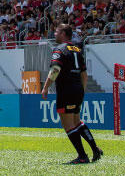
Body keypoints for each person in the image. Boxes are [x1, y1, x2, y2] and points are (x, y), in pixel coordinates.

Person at [41, 23, 102, 164]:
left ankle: (82, 156)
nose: (54, 34)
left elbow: (55, 69)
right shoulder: (77, 49)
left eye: (56, 31)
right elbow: (84, 74)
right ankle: (95, 149)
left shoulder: (59, 49)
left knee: (68, 124)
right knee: (77, 122)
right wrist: (82, 90)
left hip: (66, 90)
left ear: (63, 33)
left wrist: (45, 88)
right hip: (78, 89)